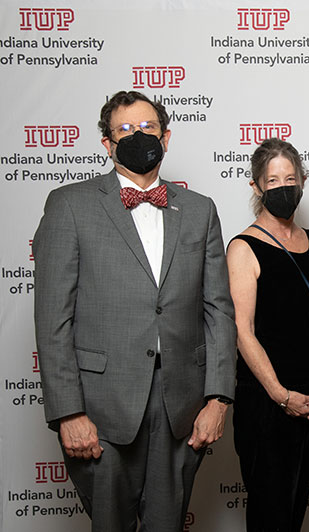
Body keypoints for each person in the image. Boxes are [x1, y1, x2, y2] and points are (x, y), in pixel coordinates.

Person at [33, 90, 236, 532]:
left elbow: (218, 310)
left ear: (166, 137)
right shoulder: (70, 205)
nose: (137, 136)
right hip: (101, 409)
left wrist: (218, 398)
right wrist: (68, 413)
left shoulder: (200, 210)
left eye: (146, 128)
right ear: (106, 144)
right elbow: (53, 320)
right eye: (124, 130)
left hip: (181, 406)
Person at [227, 138, 309, 531]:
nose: (283, 187)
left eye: (290, 178)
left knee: (293, 514)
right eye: (273, 180)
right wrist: (279, 394)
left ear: (303, 181)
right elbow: (243, 331)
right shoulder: (244, 247)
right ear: (256, 186)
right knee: (269, 515)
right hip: (267, 401)